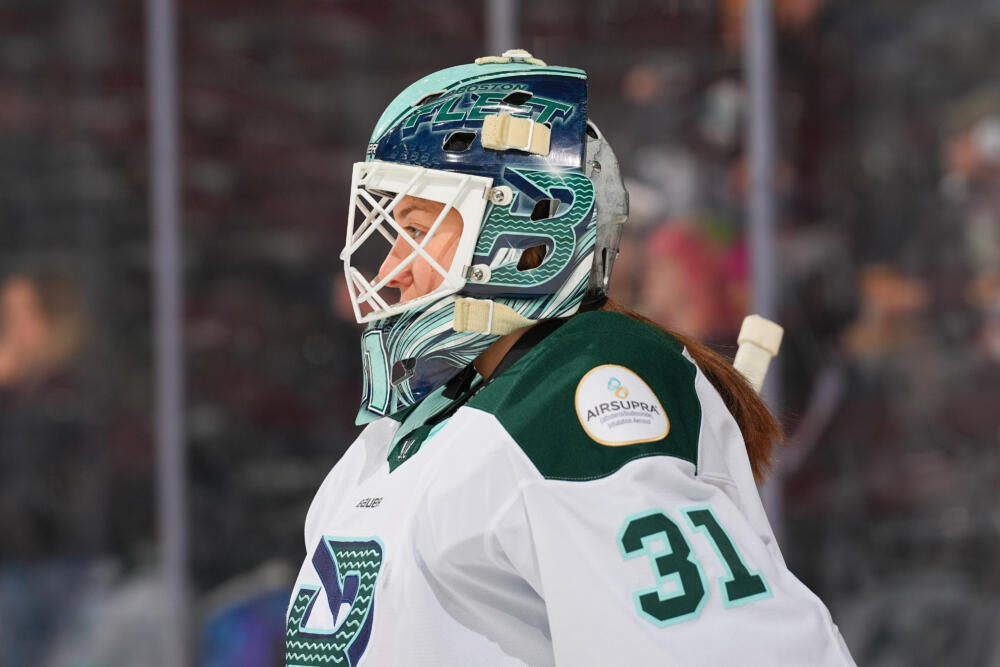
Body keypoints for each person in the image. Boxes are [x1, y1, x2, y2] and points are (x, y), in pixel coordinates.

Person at [286, 51, 856, 666]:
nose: (393, 269)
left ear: (525, 227)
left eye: (419, 230)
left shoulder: (575, 398)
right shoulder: (394, 438)